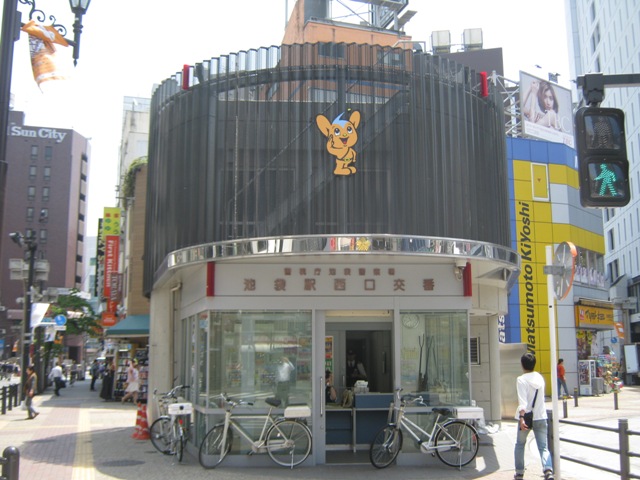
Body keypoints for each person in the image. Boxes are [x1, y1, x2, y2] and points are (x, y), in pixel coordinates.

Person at [514, 352, 554, 480]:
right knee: (543, 447)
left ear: (522, 365)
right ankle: (548, 470)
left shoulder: (521, 380)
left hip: (526, 417)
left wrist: (521, 418)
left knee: (520, 444)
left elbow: (523, 402)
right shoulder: (539, 378)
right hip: (541, 416)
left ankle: (519, 472)